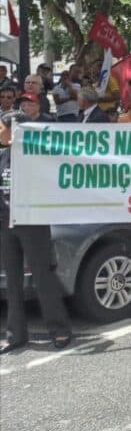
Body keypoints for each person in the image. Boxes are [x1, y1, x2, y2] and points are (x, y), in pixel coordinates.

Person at [0, 110, 74, 353]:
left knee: (43, 277)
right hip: (6, 224)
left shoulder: (37, 157)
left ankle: (59, 330)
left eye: (2, 127)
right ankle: (15, 335)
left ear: (15, 130)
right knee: (13, 281)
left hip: (32, 224)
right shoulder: (2, 156)